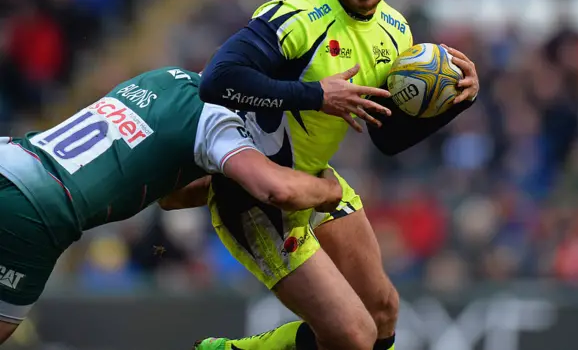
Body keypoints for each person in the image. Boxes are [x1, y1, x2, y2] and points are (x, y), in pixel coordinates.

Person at [195, 0, 480, 350]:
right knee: (350, 335)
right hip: (254, 194)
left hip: (317, 182)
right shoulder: (297, 16)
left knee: (382, 312)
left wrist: (458, 101)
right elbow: (216, 80)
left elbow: (387, 139)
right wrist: (315, 95)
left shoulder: (395, 31)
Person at [0, 66, 343, 345]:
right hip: (40, 209)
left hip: (14, 155)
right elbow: (275, 188)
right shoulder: (217, 123)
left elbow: (167, 195)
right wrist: (329, 190)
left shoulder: (164, 77)